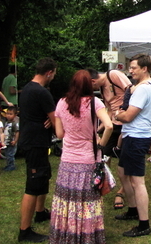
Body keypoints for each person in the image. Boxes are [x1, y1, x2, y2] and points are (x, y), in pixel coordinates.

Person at [51, 70, 113, 243]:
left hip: (67, 160)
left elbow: (59, 133)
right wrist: (101, 144)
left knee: (67, 200)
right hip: (88, 159)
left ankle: (66, 235)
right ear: (89, 85)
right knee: (87, 202)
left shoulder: (62, 103)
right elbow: (108, 125)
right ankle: (87, 236)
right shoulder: (94, 103)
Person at [113, 53, 151, 237]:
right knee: (123, 172)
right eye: (130, 68)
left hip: (137, 136)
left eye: (133, 68)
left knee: (138, 181)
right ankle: (132, 210)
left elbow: (128, 116)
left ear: (144, 69)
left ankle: (144, 224)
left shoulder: (142, 89)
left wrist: (117, 115)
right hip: (134, 135)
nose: (130, 71)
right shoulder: (148, 85)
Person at [17, 57, 57, 243]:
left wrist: (50, 119)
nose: (54, 77)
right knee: (33, 184)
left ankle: (40, 212)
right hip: (35, 142)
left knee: (43, 175)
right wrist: (54, 121)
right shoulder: (42, 93)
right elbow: (56, 119)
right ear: (49, 72)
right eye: (54, 74)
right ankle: (24, 230)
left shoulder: (26, 88)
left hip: (34, 139)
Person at [87, 68, 132, 211]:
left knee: (124, 160)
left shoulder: (113, 75)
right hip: (113, 124)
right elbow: (109, 108)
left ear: (93, 81)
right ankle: (103, 184)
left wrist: (124, 111)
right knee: (104, 156)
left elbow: (131, 90)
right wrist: (101, 127)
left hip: (126, 123)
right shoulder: (101, 88)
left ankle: (122, 192)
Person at [3, 106, 19, 171]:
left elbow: (17, 132)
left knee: (10, 154)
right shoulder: (6, 123)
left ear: (15, 115)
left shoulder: (15, 123)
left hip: (12, 142)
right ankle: (8, 165)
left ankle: (11, 166)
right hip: (6, 141)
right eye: (7, 113)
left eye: (10, 114)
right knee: (7, 154)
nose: (8, 115)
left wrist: (15, 140)